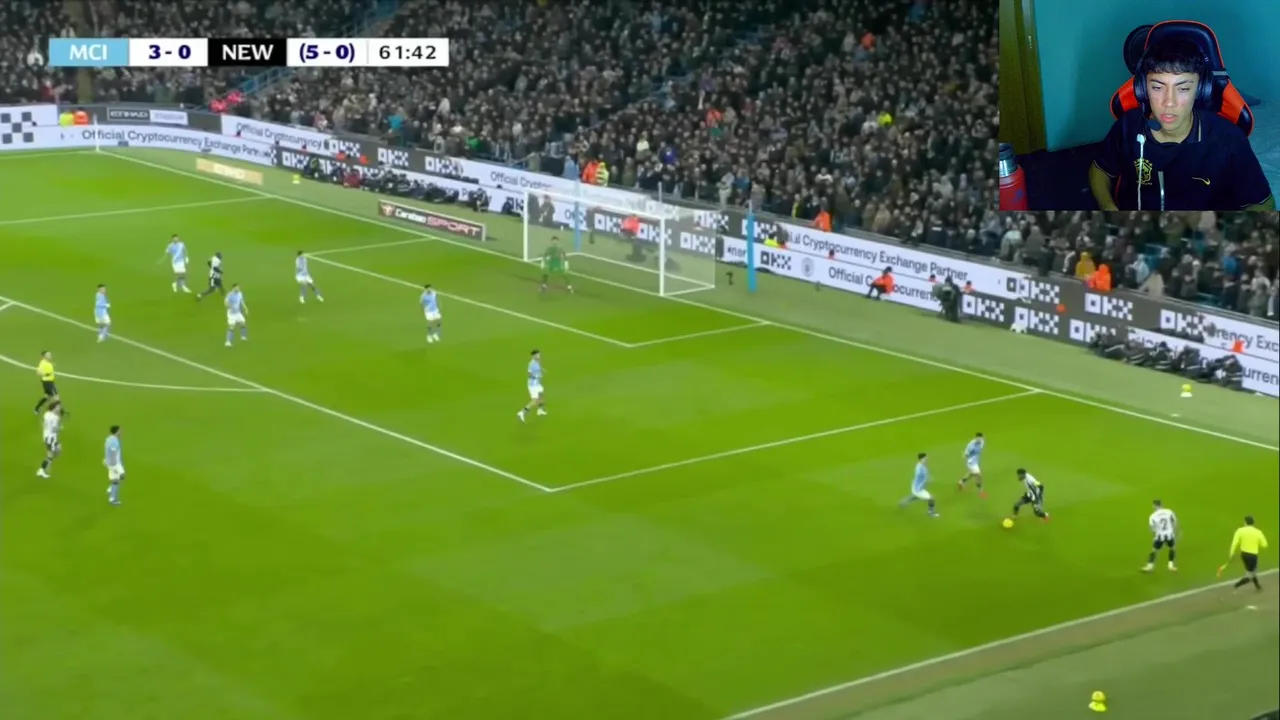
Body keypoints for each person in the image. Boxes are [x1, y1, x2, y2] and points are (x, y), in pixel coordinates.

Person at [1089, 38, 1274, 211]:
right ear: (1143, 89)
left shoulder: (1228, 140)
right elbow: (1099, 170)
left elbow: (1264, 204)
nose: (1169, 102)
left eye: (1183, 88)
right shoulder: (1127, 127)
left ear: (1201, 90)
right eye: (1157, 87)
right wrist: (1108, 207)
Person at [1220, 515, 1268, 590]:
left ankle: (1257, 586)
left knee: (1251, 571)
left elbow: (1234, 543)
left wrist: (1231, 554)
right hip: (1253, 556)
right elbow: (1265, 545)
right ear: (1253, 523)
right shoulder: (1258, 532)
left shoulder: (1240, 531)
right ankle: (1236, 585)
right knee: (1250, 574)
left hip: (1244, 555)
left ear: (1245, 522)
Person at [899, 452, 939, 517]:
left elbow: (924, 473)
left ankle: (904, 502)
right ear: (921, 459)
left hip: (918, 487)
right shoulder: (919, 468)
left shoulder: (922, 465)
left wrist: (928, 477)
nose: (927, 458)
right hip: (918, 488)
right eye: (925, 457)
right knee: (931, 498)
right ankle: (931, 512)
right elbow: (919, 474)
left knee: (917, 497)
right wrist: (927, 479)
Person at [1143, 499, 1178, 572]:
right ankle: (1171, 566)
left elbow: (1152, 528)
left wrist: (1154, 531)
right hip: (1170, 534)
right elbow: (1174, 522)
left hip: (1159, 536)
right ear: (1162, 504)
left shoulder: (1153, 516)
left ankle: (1149, 566)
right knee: (1171, 548)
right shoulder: (1169, 512)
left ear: (1154, 506)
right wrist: (1173, 530)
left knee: (1154, 550)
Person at [518, 350, 547, 422]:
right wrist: (536, 376)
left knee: (541, 395)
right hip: (533, 385)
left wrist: (542, 370)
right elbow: (529, 374)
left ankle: (540, 410)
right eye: (538, 355)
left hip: (537, 383)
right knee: (534, 401)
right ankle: (522, 412)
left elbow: (539, 368)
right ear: (534, 356)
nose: (539, 356)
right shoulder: (531, 364)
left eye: (539, 355)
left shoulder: (537, 361)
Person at [33, 350, 60, 415]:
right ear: (44, 356)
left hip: (49, 382)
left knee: (47, 397)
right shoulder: (42, 363)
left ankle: (36, 408)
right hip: (48, 383)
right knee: (56, 398)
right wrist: (46, 374)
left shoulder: (48, 362)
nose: (50, 356)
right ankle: (56, 412)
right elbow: (38, 373)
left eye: (50, 355)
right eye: (48, 355)